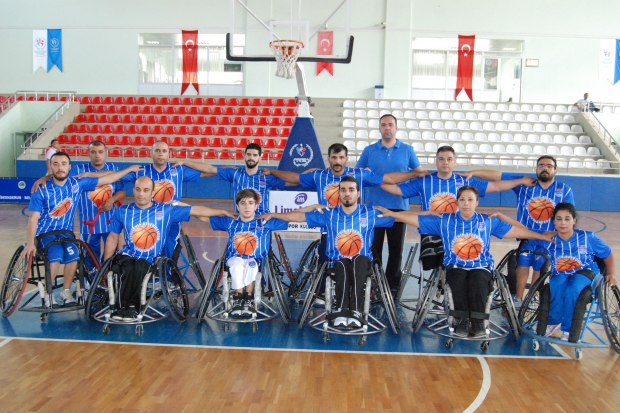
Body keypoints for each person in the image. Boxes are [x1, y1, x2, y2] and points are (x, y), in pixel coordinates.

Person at [376, 186, 555, 337]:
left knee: (478, 280)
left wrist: (541, 236)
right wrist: (392, 214)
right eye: (462, 199)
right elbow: (414, 219)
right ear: (457, 202)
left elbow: (517, 232)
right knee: (457, 279)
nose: (466, 203)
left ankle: (478, 322)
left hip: (481, 266)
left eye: (470, 200)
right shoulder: (445, 221)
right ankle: (460, 319)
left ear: (477, 202)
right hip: (456, 265)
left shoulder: (487, 222)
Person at [263, 142, 424, 290]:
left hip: (356, 228)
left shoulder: (359, 174)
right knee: (325, 256)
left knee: (363, 258)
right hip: (329, 227)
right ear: (329, 158)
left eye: (341, 157)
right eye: (334, 157)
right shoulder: (319, 176)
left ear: (347, 159)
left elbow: (388, 178)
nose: (337, 161)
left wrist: (414, 174)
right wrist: (272, 171)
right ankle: (322, 292)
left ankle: (360, 289)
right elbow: (293, 178)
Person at [259, 176, 396, 328]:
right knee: (343, 263)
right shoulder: (330, 214)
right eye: (343, 190)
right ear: (339, 193)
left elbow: (402, 219)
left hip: (362, 263)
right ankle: (342, 310)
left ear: (358, 193)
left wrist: (397, 214)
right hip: (337, 263)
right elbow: (300, 217)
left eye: (351, 190)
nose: (347, 193)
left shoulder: (371, 213)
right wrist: (274, 214)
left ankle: (356, 312)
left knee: (359, 260)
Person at [381, 145, 536, 270]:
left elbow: (496, 186)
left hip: (460, 231)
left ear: (454, 162)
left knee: (455, 262)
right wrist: (372, 180)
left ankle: (446, 289)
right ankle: (443, 286)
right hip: (432, 230)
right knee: (436, 262)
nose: (445, 162)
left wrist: (520, 181)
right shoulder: (425, 181)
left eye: (449, 159)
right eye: (441, 159)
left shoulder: (464, 180)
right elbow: (396, 189)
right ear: (436, 162)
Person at [104, 176, 235, 320]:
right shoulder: (122, 211)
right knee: (127, 266)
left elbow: (196, 210)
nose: (141, 193)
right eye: (138, 189)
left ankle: (132, 307)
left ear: (152, 193)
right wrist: (106, 264)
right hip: (128, 254)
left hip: (150, 258)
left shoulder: (165, 210)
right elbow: (112, 238)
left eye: (146, 190)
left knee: (140, 267)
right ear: (133, 190)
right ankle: (120, 307)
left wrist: (222, 211)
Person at [24, 152, 140, 307]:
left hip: (65, 233)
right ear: (50, 166)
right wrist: (30, 243)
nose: (60, 167)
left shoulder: (77, 184)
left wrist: (129, 169)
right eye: (56, 164)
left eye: (63, 164)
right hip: (45, 233)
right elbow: (33, 218)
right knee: (56, 255)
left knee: (74, 255)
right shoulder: (41, 189)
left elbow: (108, 179)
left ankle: (65, 291)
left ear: (69, 167)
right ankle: (48, 293)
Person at [463, 155, 574, 309]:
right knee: (522, 263)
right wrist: (474, 172)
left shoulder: (564, 190)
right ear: (536, 169)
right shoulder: (525, 183)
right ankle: (518, 300)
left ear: (555, 170)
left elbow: (569, 216)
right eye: (541, 165)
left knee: (540, 265)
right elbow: (498, 176)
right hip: (527, 235)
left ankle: (531, 299)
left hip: (549, 237)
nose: (545, 168)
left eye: (549, 166)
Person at [192, 189, 315, 316]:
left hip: (256, 261)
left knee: (252, 264)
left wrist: (313, 207)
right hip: (234, 258)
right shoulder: (230, 221)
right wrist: (222, 211)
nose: (247, 206)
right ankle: (238, 297)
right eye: (243, 203)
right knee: (237, 264)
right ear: (237, 206)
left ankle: (248, 297)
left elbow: (296, 216)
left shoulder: (264, 221)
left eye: (250, 203)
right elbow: (198, 214)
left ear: (256, 206)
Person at [82, 140, 207, 259]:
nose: (161, 154)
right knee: (141, 247)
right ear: (151, 153)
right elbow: (111, 176)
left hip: (170, 217)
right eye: (157, 150)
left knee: (168, 248)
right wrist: (89, 175)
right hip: (147, 218)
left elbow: (210, 172)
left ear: (169, 154)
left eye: (164, 151)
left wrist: (185, 162)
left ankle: (167, 272)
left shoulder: (178, 170)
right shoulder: (141, 171)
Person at [356, 114, 427, 295]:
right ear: (379, 128)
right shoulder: (369, 151)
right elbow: (356, 173)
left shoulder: (407, 150)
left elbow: (420, 173)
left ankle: (392, 285)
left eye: (390, 125)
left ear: (396, 128)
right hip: (374, 206)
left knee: (396, 249)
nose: (387, 128)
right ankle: (374, 282)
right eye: (384, 125)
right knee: (374, 248)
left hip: (399, 207)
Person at [31, 140, 126, 270]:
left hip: (110, 220)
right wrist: (45, 178)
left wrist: (112, 199)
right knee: (90, 254)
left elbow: (122, 191)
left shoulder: (114, 169)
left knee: (111, 254)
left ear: (106, 152)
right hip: (88, 221)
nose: (97, 155)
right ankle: (90, 278)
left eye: (100, 152)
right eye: (93, 152)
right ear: (88, 153)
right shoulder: (79, 169)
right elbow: (60, 175)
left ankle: (106, 276)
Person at [543, 202, 615, 341]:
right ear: (553, 221)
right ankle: (554, 322)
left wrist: (611, 273)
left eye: (567, 219)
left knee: (573, 289)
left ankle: (569, 328)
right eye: (559, 219)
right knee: (555, 284)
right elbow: (526, 233)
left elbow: (608, 254)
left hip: (585, 271)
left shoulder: (588, 237)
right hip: (562, 273)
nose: (563, 223)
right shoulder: (549, 239)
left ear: (574, 220)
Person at [174, 143, 288, 215]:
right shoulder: (235, 173)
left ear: (260, 157)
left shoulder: (266, 177)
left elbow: (292, 181)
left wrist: (274, 171)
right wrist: (184, 162)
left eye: (254, 155)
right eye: (249, 155)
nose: (251, 158)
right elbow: (210, 168)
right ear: (245, 156)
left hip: (262, 221)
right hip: (240, 219)